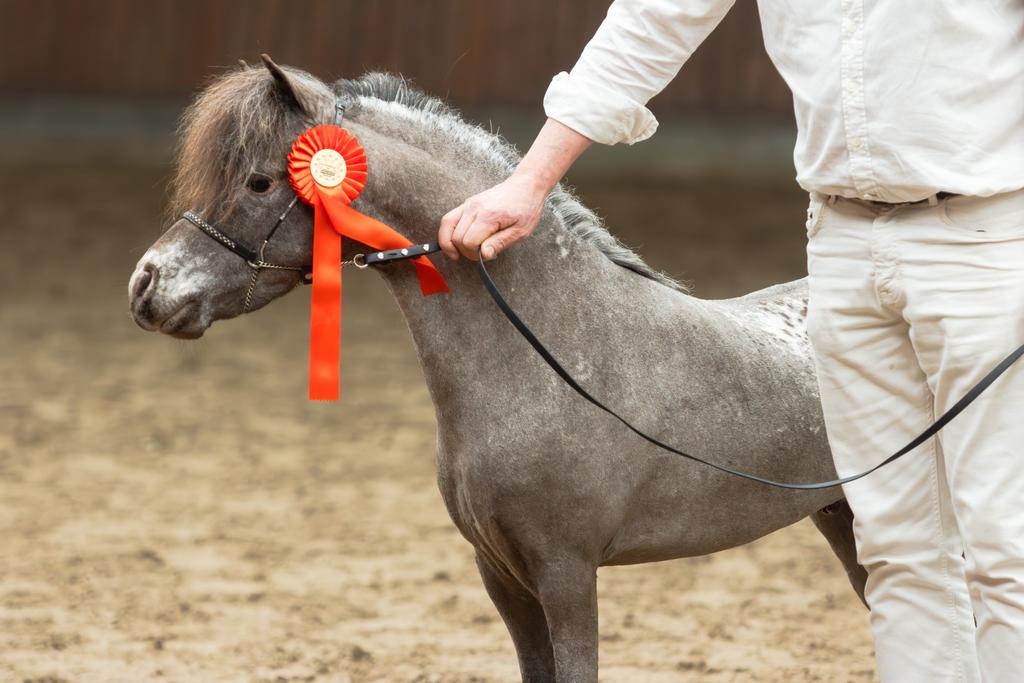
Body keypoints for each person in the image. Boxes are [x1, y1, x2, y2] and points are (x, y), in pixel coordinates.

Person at [437, 1, 1024, 681]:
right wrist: (529, 181)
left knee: (1006, 545)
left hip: (992, 235)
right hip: (843, 242)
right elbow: (655, 17)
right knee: (897, 547)